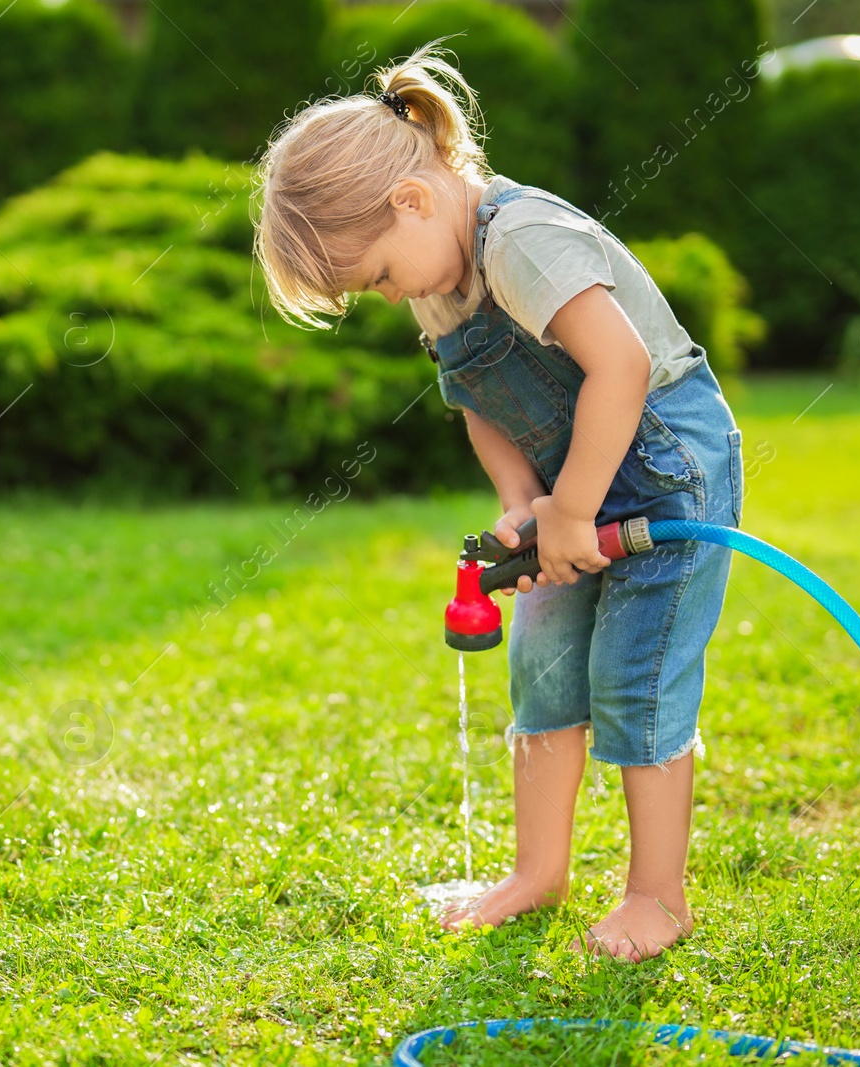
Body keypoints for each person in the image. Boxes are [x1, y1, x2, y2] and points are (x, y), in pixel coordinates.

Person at [253, 44, 744, 962]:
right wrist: (527, 503)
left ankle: (657, 897)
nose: (393, 294)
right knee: (547, 668)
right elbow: (482, 402)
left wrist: (573, 505)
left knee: (636, 676)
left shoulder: (521, 239)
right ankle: (537, 871)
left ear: (414, 200)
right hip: (571, 488)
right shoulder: (438, 278)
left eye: (381, 276)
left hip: (668, 468)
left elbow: (621, 365)